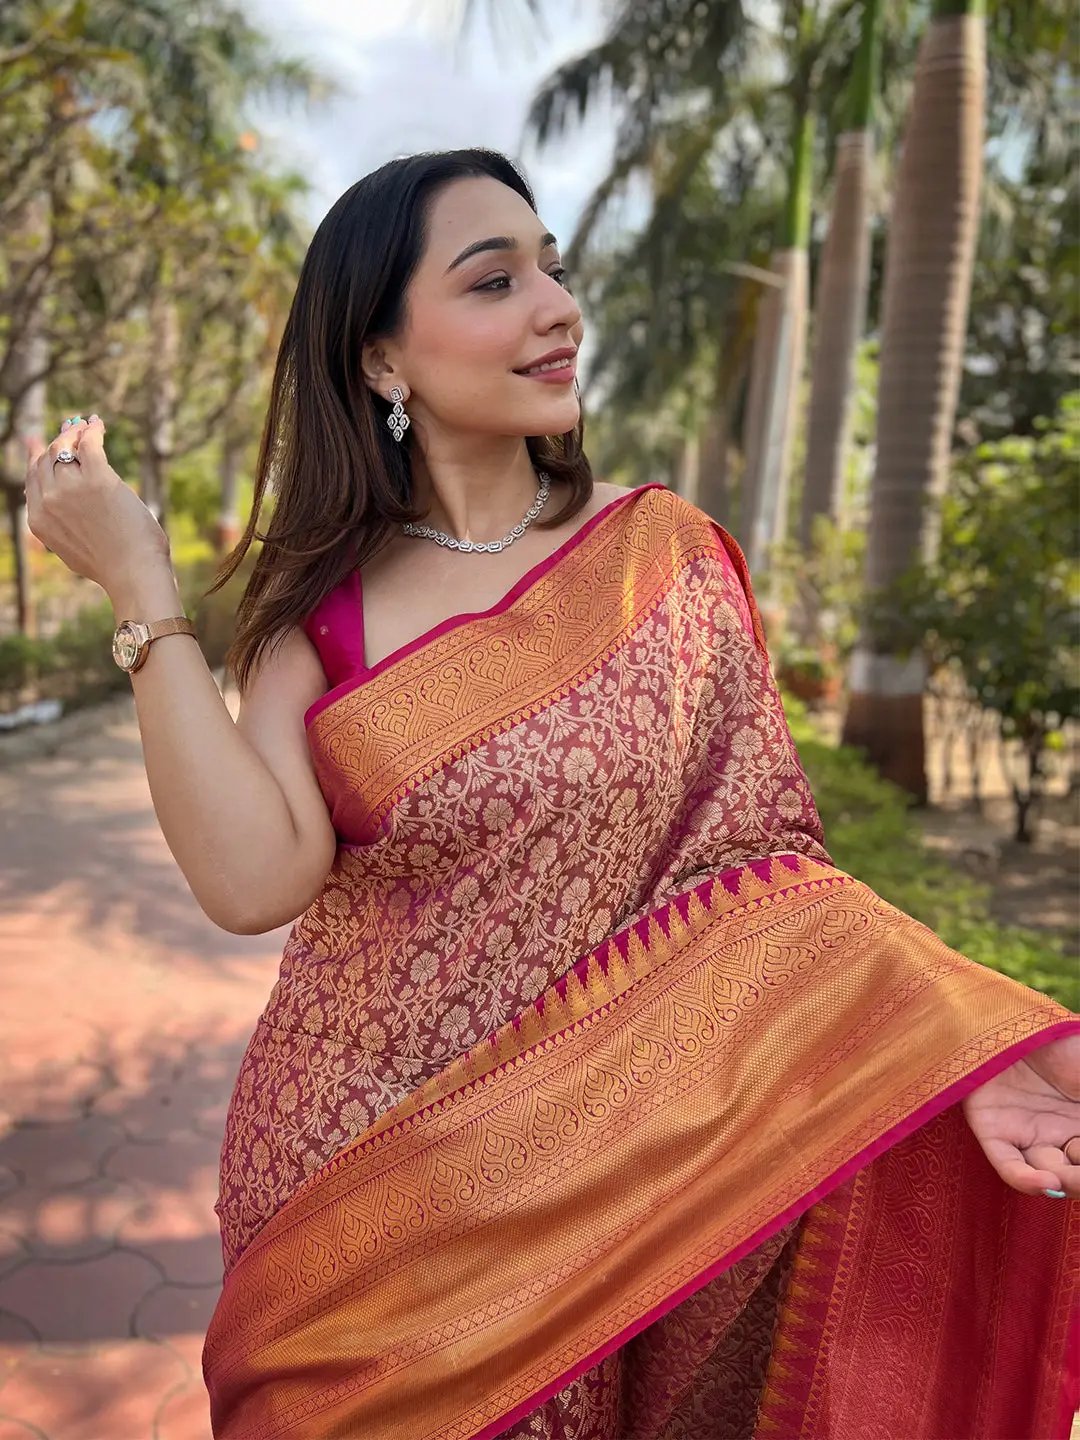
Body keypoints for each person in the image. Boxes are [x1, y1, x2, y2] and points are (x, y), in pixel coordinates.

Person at [24, 148, 1079, 1440]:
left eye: (554, 270)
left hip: (588, 1201)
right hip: (347, 1209)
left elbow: (771, 889)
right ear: (380, 361)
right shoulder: (325, 609)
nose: (555, 306)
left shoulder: (659, 563)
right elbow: (255, 878)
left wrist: (950, 1052)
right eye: (494, 280)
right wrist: (143, 591)